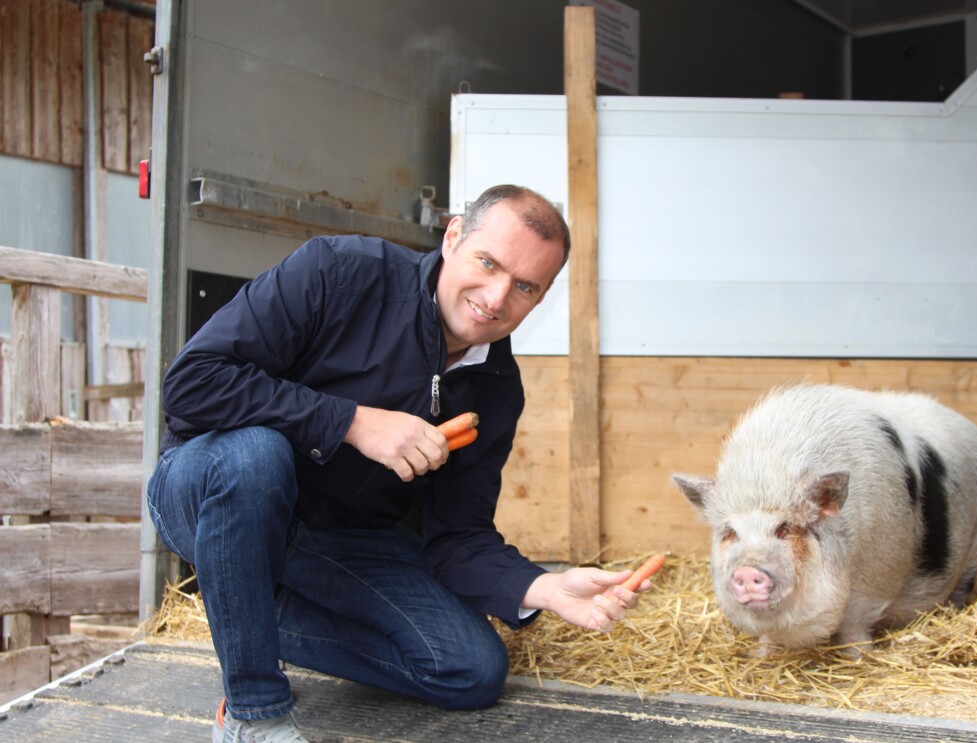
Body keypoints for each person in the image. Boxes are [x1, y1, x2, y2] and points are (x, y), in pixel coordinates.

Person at [146, 184, 651, 743]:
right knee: (256, 455)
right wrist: (353, 422)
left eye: (525, 286)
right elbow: (191, 382)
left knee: (472, 668)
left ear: (542, 296)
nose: (496, 295)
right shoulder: (339, 272)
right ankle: (254, 713)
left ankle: (242, 606)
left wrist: (543, 588)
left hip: (336, 537)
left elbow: (457, 537)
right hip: (208, 489)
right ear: (453, 236)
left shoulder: (497, 389)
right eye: (488, 262)